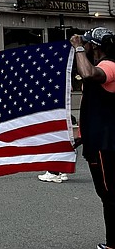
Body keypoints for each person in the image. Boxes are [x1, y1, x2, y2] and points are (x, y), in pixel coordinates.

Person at [69, 27, 115, 249]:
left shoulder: (109, 66)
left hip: (106, 144)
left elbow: (88, 74)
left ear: (94, 47)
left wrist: (77, 46)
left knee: (110, 194)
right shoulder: (101, 65)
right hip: (97, 141)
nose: (84, 48)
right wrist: (80, 138)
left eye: (87, 44)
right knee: (107, 194)